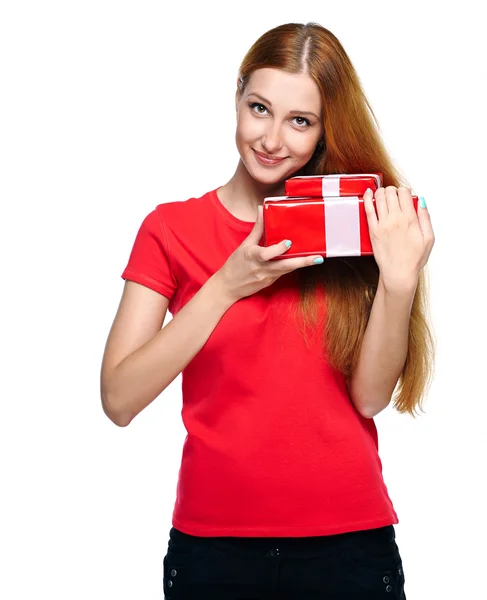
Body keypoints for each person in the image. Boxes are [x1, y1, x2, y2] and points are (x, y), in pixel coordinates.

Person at [100, 21, 435, 600]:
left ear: (324, 131)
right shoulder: (171, 229)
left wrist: (399, 283)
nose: (272, 139)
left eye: (299, 121)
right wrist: (227, 285)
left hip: (349, 545)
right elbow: (119, 399)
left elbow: (370, 399)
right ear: (237, 97)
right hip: (213, 549)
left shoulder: (346, 227)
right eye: (260, 108)